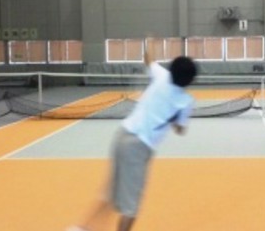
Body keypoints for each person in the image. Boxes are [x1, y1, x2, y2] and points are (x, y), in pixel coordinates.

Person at [67, 49, 198, 231]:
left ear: (172, 69)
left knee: (111, 193)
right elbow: (181, 130)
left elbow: (148, 58)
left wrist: (150, 44)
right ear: (190, 80)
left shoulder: (162, 76)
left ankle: (81, 228)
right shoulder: (185, 102)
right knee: (131, 208)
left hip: (122, 135)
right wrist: (174, 119)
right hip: (138, 148)